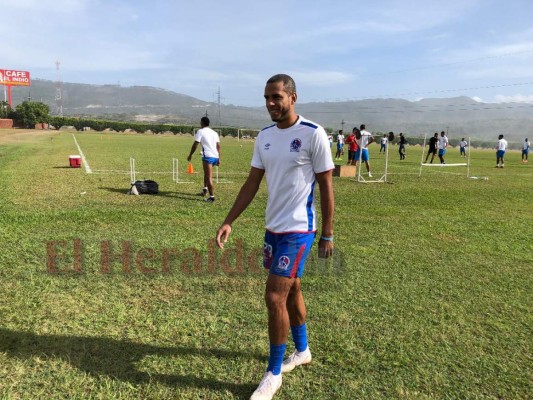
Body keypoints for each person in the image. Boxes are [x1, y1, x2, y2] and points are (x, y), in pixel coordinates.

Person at [216, 74, 334, 400]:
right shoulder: (264, 137)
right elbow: (252, 183)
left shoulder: (313, 134)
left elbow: (326, 186)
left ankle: (273, 373)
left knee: (274, 297)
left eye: (276, 97)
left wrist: (327, 234)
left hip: (300, 229)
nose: (270, 103)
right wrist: (229, 221)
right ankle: (303, 350)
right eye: (266, 98)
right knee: (292, 286)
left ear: (293, 97)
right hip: (273, 230)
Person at [187, 116, 220, 202]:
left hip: (208, 156)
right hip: (215, 156)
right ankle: (205, 190)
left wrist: (190, 154)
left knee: (208, 176)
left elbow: (195, 144)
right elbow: (218, 146)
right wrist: (219, 158)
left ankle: (212, 197)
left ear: (202, 123)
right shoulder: (214, 133)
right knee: (206, 174)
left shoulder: (200, 131)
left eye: (200, 122)